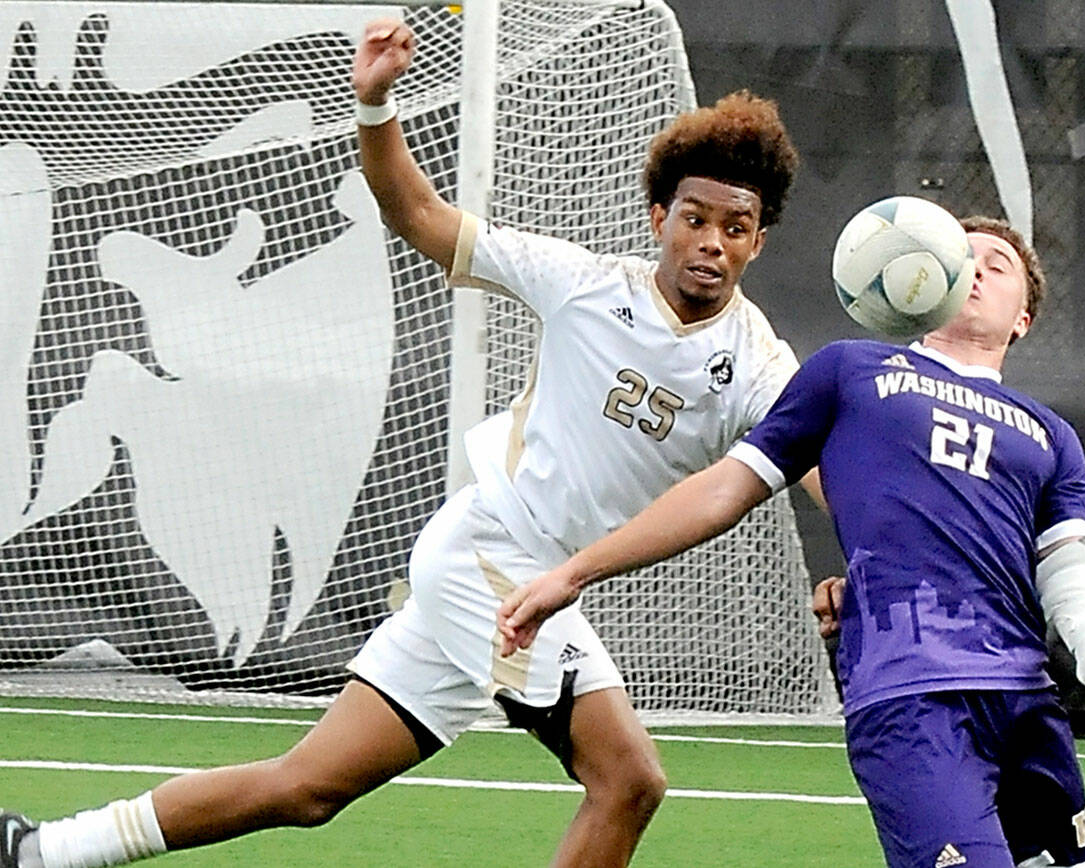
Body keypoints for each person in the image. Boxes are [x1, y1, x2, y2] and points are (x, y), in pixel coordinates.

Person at [0, 18, 816, 868]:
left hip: (524, 581)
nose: (710, 243)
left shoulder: (757, 361)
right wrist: (375, 101)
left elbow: (821, 464)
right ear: (659, 217)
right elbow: (415, 210)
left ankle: (41, 850)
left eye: (734, 226)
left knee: (307, 786)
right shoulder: (581, 286)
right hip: (492, 559)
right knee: (629, 781)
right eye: (694, 218)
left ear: (758, 240)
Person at [497, 215, 1085, 868]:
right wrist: (579, 570)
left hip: (1027, 702)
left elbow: (1079, 582)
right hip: (911, 698)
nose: (970, 266)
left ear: (1024, 318)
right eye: (955, 254)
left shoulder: (1049, 435)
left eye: (995, 263)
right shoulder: (850, 371)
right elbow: (728, 486)